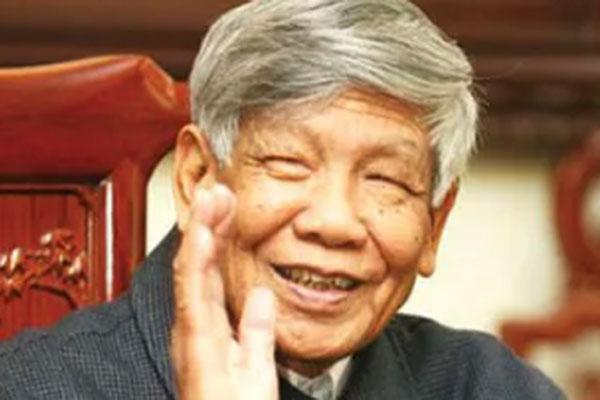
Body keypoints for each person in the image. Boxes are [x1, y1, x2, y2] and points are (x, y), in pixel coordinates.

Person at [0, 0, 565, 399]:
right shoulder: (34, 387)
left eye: (387, 180)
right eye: (289, 163)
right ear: (198, 178)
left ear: (434, 225)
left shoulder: (490, 388)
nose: (335, 222)